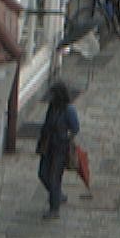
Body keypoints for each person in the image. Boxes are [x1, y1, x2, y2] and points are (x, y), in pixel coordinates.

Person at [37, 81, 79, 219]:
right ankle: (57, 194)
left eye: (53, 94)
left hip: (60, 148)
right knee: (43, 173)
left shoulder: (68, 110)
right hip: (48, 146)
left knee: (54, 177)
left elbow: (75, 128)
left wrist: (66, 138)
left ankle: (54, 209)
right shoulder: (52, 107)